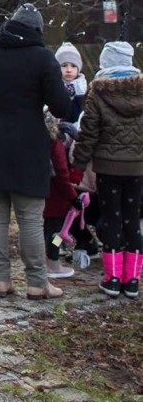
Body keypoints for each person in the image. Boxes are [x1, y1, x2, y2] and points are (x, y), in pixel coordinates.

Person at [0, 3, 72, 299]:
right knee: (29, 218)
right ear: (37, 30)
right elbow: (62, 105)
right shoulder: (43, 58)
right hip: (27, 145)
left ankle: (0, 280)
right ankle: (38, 283)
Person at [71, 40, 143, 299]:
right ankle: (132, 280)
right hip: (137, 168)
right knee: (132, 219)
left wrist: (77, 168)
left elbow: (88, 133)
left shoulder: (98, 91)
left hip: (108, 168)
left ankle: (112, 279)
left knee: (112, 218)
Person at [43, 112, 77, 280]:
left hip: (39, 196)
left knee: (43, 231)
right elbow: (61, 173)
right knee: (57, 234)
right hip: (56, 198)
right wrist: (73, 197)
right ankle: (53, 264)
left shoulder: (35, 141)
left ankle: (44, 260)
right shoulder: (54, 143)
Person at [56, 42, 88, 123]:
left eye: (73, 66)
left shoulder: (83, 87)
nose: (69, 70)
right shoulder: (53, 86)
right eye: (64, 65)